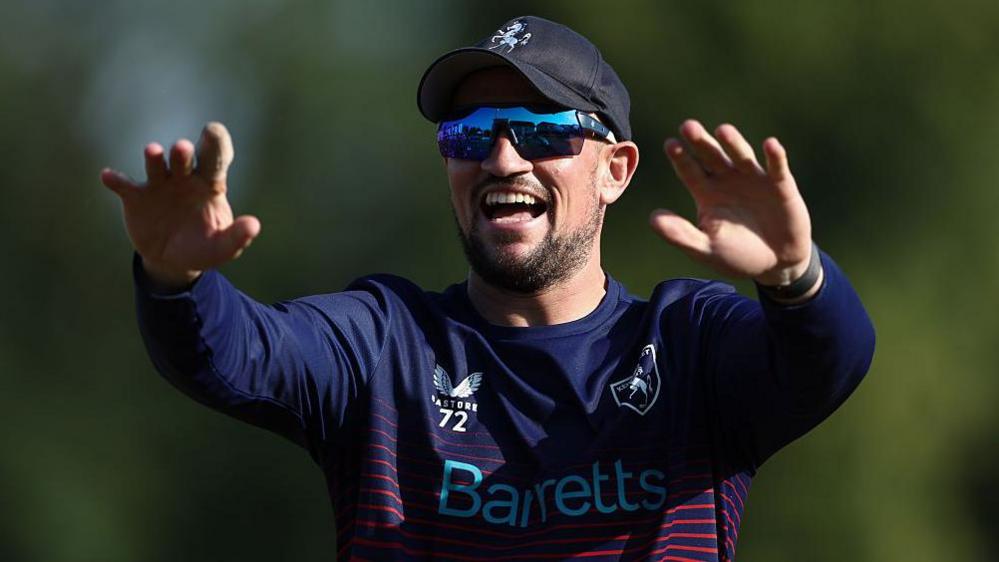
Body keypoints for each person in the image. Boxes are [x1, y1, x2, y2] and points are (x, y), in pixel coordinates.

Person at [101, 15, 875, 562]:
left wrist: (792, 276)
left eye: (540, 130)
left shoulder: (685, 342)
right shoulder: (384, 344)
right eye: (470, 134)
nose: (502, 160)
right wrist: (178, 279)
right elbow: (238, 356)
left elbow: (828, 361)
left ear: (616, 170)